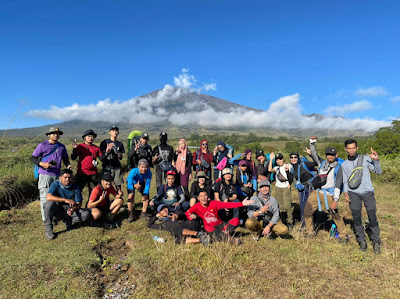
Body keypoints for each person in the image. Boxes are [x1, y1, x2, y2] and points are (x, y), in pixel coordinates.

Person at [340, 139, 382, 253]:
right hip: (354, 193)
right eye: (349, 148)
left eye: (353, 147)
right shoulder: (344, 164)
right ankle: (362, 241)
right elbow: (345, 180)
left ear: (357, 148)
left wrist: (376, 160)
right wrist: (346, 192)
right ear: (345, 149)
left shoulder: (366, 159)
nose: (351, 150)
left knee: (372, 215)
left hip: (368, 192)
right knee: (357, 218)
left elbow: (378, 172)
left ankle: (376, 241)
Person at [303, 137, 348, 241]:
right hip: (317, 192)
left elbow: (339, 183)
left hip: (329, 194)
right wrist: (312, 143)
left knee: (335, 215)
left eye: (332, 154)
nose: (330, 156)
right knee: (307, 212)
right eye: (328, 154)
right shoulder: (323, 163)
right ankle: (309, 232)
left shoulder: (339, 167)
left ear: (336, 155)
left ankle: (343, 235)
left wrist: (336, 199)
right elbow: (315, 155)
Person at [31, 127, 71, 221]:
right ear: (49, 135)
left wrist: (68, 165)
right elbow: (33, 158)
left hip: (57, 175)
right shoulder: (42, 145)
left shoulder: (61, 146)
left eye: (57, 134)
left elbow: (65, 158)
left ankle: (54, 216)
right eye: (53, 133)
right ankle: (46, 220)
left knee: (56, 196)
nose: (56, 135)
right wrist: (42, 164)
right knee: (45, 197)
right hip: (45, 175)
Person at [185, 191, 254, 245]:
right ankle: (229, 239)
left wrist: (241, 204)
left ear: (208, 197)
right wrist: (190, 216)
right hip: (210, 227)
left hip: (221, 225)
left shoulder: (213, 203)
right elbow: (187, 213)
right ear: (198, 198)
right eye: (201, 196)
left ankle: (221, 236)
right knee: (208, 228)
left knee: (236, 220)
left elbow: (226, 204)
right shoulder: (196, 206)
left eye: (205, 196)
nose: (203, 198)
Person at [43, 169, 90, 239]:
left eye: (69, 177)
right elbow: (48, 197)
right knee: (48, 204)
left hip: (69, 208)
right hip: (58, 208)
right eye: (65, 177)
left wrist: (73, 209)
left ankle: (68, 219)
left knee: (86, 214)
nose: (67, 179)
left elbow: (79, 203)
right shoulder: (55, 184)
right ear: (60, 178)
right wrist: (65, 200)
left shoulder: (76, 187)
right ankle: (49, 230)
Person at [71, 129, 103, 195]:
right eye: (89, 136)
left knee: (94, 191)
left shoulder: (96, 148)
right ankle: (77, 204)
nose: (91, 138)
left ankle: (90, 205)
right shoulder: (80, 147)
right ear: (84, 137)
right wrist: (74, 149)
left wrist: (107, 152)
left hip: (93, 173)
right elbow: (73, 157)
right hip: (82, 172)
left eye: (92, 136)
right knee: (78, 190)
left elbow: (102, 159)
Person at [290, 151, 317, 225]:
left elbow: (316, 162)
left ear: (298, 158)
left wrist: (311, 154)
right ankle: (304, 223)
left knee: (309, 206)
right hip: (301, 188)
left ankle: (311, 223)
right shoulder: (291, 167)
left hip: (310, 187)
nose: (293, 159)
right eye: (291, 157)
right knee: (302, 205)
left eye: (295, 157)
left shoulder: (305, 164)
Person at [268, 152, 294, 227]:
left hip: (286, 187)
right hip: (278, 187)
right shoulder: (277, 168)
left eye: (280, 159)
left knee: (287, 205)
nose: (279, 161)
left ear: (283, 159)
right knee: (280, 205)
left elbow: (291, 174)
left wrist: (290, 183)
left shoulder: (288, 166)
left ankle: (290, 221)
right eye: (277, 160)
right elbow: (270, 169)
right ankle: (283, 220)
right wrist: (271, 159)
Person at [99, 126, 125, 194]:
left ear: (118, 133)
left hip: (116, 167)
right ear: (110, 132)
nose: (115, 132)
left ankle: (118, 198)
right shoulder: (104, 142)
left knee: (118, 185)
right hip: (107, 166)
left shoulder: (120, 144)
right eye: (113, 130)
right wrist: (107, 151)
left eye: (116, 131)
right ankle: (104, 200)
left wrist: (120, 155)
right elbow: (101, 156)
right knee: (105, 185)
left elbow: (121, 157)